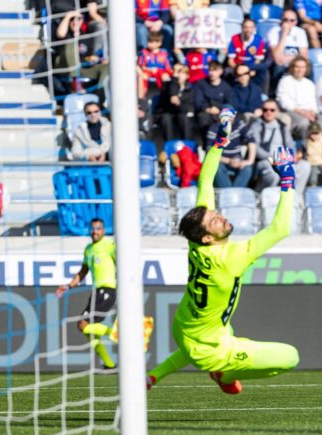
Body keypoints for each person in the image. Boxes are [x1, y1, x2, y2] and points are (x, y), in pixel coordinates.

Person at [146, 110, 300, 393]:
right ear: (207, 237)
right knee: (290, 357)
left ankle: (155, 375)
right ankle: (224, 375)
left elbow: (205, 181)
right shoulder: (230, 259)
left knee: (208, 337)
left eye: (215, 213)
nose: (220, 217)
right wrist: (288, 180)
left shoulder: (196, 241)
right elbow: (280, 229)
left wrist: (219, 142)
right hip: (211, 349)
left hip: (185, 326)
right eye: (214, 220)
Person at [56, 218, 154, 370]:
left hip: (108, 290)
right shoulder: (88, 249)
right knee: (85, 327)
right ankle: (109, 363)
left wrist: (128, 283)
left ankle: (126, 337)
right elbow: (83, 271)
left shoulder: (109, 245)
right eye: (93, 228)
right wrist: (68, 285)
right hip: (96, 292)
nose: (95, 231)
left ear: (103, 230)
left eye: (98, 228)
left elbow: (123, 263)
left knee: (82, 324)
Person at [276, 56, 322, 140]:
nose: (300, 70)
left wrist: (313, 113)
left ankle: (316, 144)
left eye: (302, 67)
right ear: (292, 68)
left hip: (309, 113)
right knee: (304, 122)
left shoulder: (310, 84)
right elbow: (284, 102)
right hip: (291, 112)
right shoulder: (285, 81)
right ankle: (304, 145)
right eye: (297, 67)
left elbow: (313, 102)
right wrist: (301, 112)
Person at [267, 9, 310, 92]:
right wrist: (284, 35)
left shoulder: (300, 32)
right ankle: (274, 93)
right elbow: (277, 59)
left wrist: (286, 58)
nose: (288, 23)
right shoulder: (274, 32)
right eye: (285, 20)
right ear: (281, 21)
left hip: (293, 63)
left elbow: (304, 56)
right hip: (277, 65)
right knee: (278, 67)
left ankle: (307, 91)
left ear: (296, 22)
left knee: (307, 64)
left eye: (292, 20)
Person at [206, 116, 255, 188]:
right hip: (221, 161)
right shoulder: (214, 128)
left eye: (230, 116)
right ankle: (231, 192)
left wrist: (250, 161)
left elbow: (251, 140)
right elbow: (209, 151)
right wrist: (229, 161)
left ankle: (233, 192)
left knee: (247, 169)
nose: (228, 119)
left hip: (238, 161)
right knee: (216, 167)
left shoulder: (239, 124)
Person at [194, 61, 233, 142]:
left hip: (221, 112)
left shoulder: (226, 87)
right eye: (210, 70)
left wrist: (220, 109)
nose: (211, 73)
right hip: (206, 112)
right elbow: (198, 102)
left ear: (221, 71)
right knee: (203, 118)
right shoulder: (201, 84)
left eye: (215, 70)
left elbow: (230, 103)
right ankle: (206, 144)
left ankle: (224, 143)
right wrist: (208, 109)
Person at [159, 64, 196, 142]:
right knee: (166, 118)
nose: (179, 75)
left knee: (185, 119)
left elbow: (189, 107)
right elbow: (164, 102)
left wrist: (179, 104)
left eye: (181, 72)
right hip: (169, 111)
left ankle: (187, 144)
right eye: (177, 72)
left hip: (182, 112)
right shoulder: (168, 85)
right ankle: (169, 144)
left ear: (187, 76)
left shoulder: (190, 89)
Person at [226, 18, 268, 87]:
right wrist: (237, 69)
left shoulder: (259, 40)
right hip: (236, 67)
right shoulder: (235, 38)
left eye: (251, 27)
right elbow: (230, 60)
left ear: (254, 28)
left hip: (251, 68)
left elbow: (258, 60)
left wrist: (249, 69)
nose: (248, 30)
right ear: (242, 28)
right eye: (246, 27)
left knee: (264, 73)